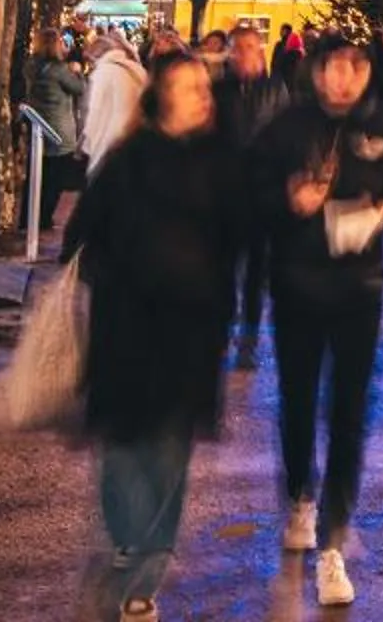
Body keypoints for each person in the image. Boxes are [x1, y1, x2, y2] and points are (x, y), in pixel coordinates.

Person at [58, 51, 245, 621]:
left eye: (204, 87)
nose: (202, 96)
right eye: (189, 87)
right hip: (126, 330)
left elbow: (236, 244)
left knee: (169, 452)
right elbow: (80, 236)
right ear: (161, 97)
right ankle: (128, 540)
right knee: (122, 446)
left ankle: (146, 573)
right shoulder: (125, 162)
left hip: (190, 334)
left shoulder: (220, 164)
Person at [252, 33, 383, 607]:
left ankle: (333, 541)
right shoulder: (286, 127)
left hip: (359, 290)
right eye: (334, 66)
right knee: (298, 403)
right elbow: (250, 198)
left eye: (356, 66)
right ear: (317, 70)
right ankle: (301, 495)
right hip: (297, 286)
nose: (344, 78)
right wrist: (288, 202)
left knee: (349, 415)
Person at [219, 25, 294, 370]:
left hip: (263, 195)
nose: (245, 54)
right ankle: (221, 332)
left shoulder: (275, 88)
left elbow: (286, 135)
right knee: (223, 269)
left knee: (254, 275)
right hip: (227, 194)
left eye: (251, 47)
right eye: (238, 48)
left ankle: (247, 341)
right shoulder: (221, 90)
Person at [31, 32, 90, 233]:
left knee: (39, 175)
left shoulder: (32, 66)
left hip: (38, 125)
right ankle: (44, 219)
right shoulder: (59, 70)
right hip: (58, 129)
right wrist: (78, 72)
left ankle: (31, 218)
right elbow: (79, 88)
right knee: (55, 179)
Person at [81, 31, 148, 175]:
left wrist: (87, 145)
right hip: (135, 142)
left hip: (107, 146)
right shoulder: (139, 70)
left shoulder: (102, 72)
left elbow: (93, 112)